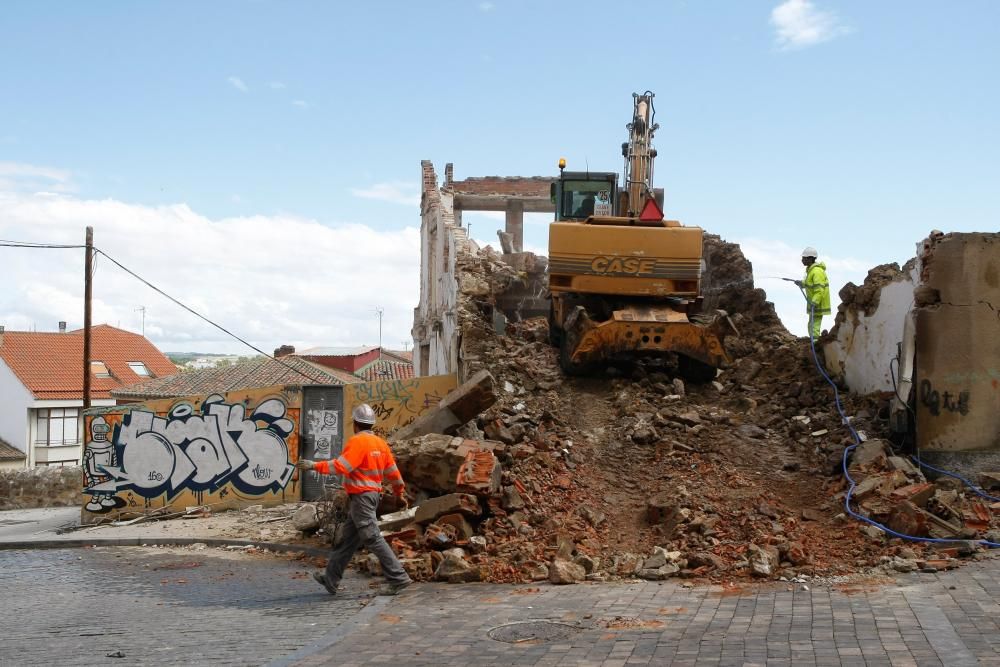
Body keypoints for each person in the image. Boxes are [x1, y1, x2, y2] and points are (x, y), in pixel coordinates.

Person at [295, 404, 413, 596]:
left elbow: (342, 466)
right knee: (347, 540)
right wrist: (399, 494)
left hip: (362, 498)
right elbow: (394, 475)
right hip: (372, 497)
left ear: (355, 424)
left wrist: (314, 465)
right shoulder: (381, 444)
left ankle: (399, 578)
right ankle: (331, 579)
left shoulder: (357, 442)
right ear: (372, 424)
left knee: (372, 537)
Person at [795, 247, 831, 339]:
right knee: (812, 324)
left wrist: (814, 302)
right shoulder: (811, 271)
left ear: (810, 258)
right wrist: (801, 283)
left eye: (804, 258)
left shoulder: (816, 271)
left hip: (818, 303)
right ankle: (814, 341)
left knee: (814, 325)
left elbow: (819, 289)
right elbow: (810, 283)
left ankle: (815, 343)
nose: (802, 260)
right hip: (815, 303)